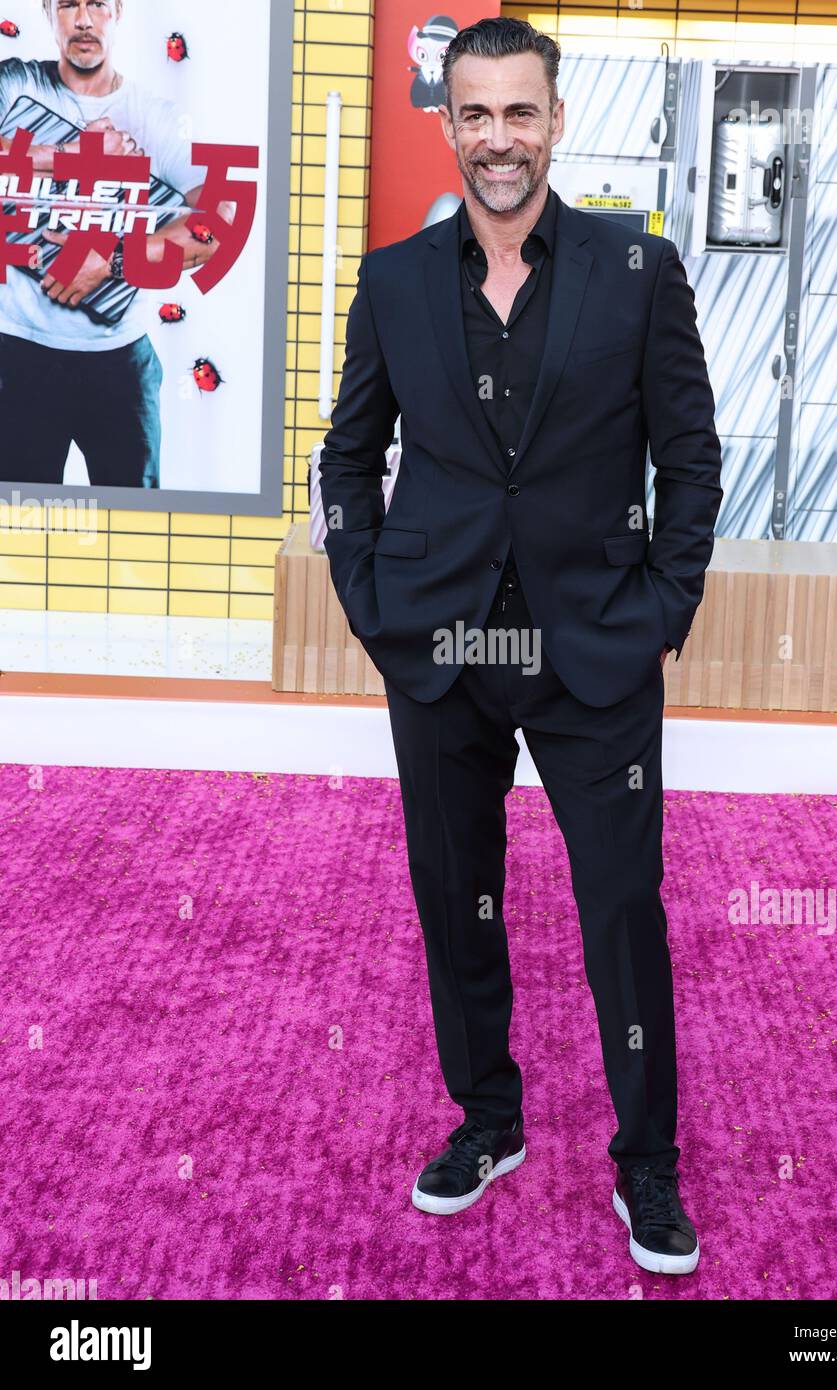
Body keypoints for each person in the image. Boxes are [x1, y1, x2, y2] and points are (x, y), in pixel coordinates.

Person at [319, 16, 723, 1275]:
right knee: (457, 900)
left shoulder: (635, 271)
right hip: (436, 646)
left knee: (620, 910)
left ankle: (643, 1164)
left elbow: (690, 457)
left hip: (592, 649)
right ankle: (486, 1119)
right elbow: (346, 459)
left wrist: (660, 607)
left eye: (521, 112)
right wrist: (369, 598)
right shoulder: (391, 282)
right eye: (475, 113)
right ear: (447, 123)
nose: (499, 138)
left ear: (556, 120)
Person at [0, 0, 221, 487]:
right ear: (47, 13)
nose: (83, 20)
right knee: (15, 537)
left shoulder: (156, 119)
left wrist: (112, 261)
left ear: (118, 12)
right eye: (68, 5)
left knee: (140, 537)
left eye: (97, 4)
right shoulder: (15, 84)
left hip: (122, 363)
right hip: (19, 354)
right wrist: (70, 157)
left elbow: (214, 231)